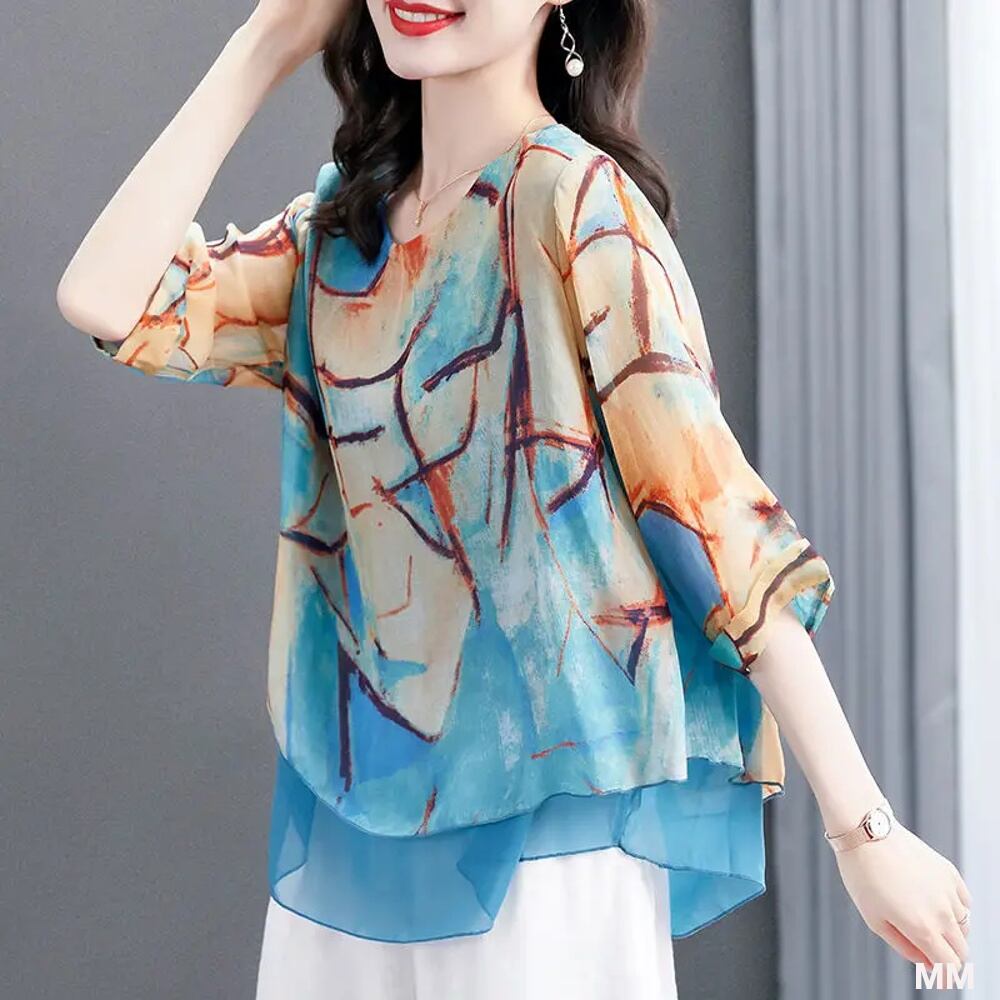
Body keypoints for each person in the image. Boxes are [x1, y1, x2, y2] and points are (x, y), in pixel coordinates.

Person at [57, 1, 972, 997]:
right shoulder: (340, 238)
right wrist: (263, 44)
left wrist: (863, 828)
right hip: (355, 827)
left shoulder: (577, 204)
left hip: (552, 843)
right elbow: (108, 301)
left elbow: (711, 523)